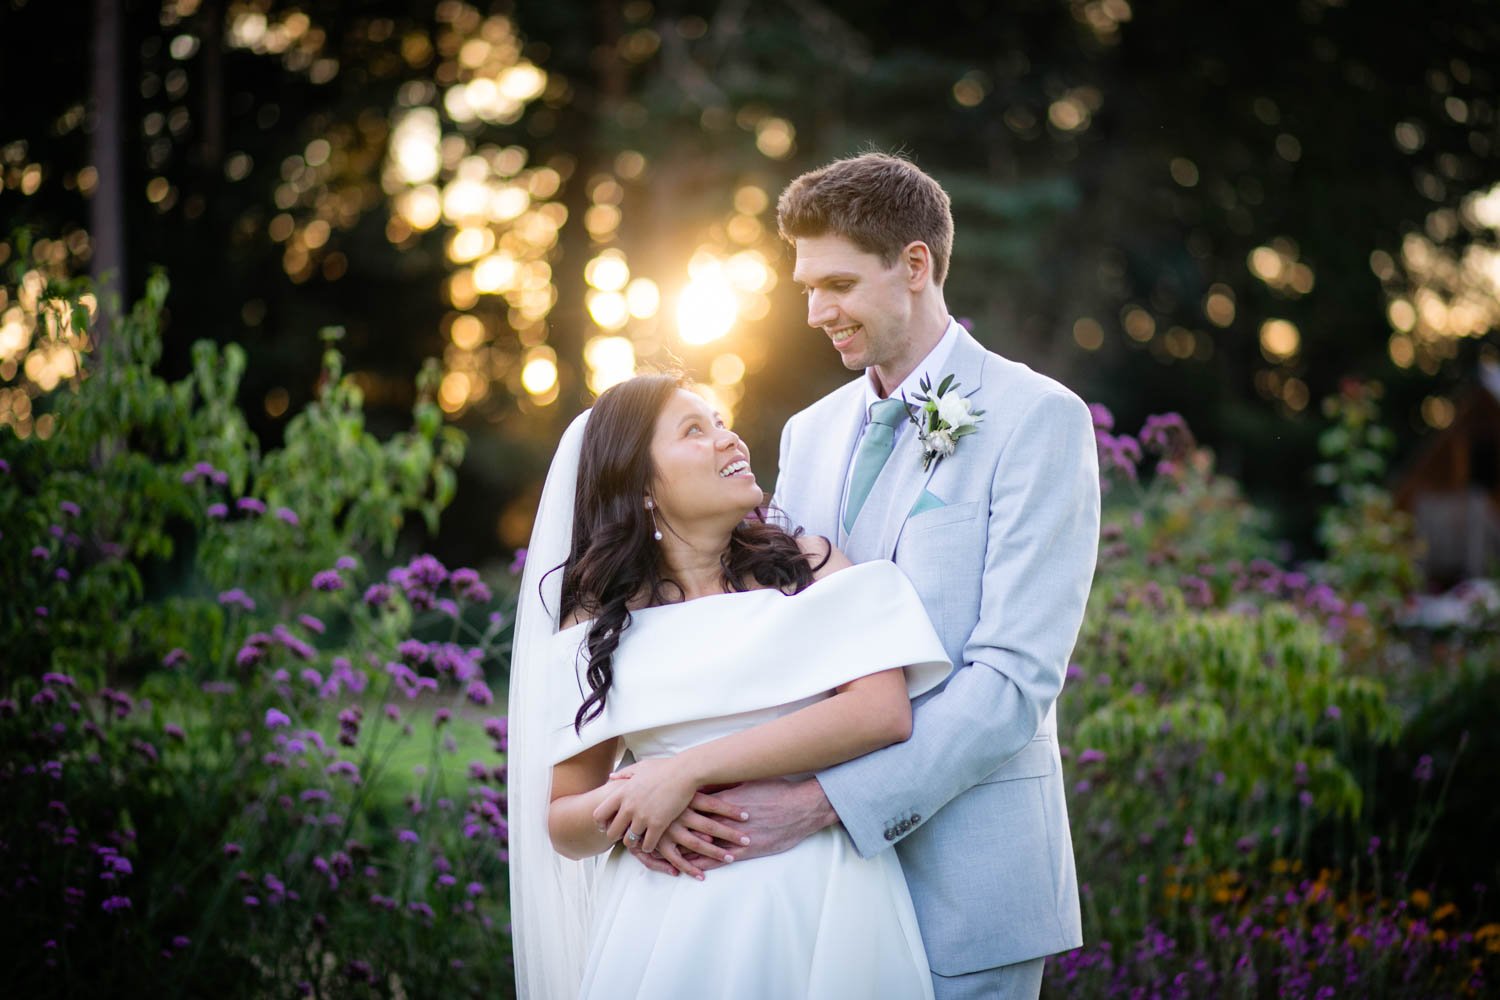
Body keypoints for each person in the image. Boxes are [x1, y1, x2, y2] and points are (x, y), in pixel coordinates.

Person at [626, 152, 1102, 999]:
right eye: (807, 287)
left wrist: (820, 803)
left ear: (915, 265)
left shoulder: (1040, 419)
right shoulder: (809, 433)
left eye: (838, 285)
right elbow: (775, 624)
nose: (816, 312)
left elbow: (1012, 681)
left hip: (969, 881)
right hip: (809, 890)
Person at [506, 373, 954, 999]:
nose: (728, 439)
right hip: (668, 920)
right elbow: (563, 817)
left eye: (720, 422)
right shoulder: (600, 624)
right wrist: (637, 809)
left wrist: (683, 772)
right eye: (695, 431)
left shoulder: (812, 566)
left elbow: (882, 712)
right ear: (640, 488)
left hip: (823, 897)